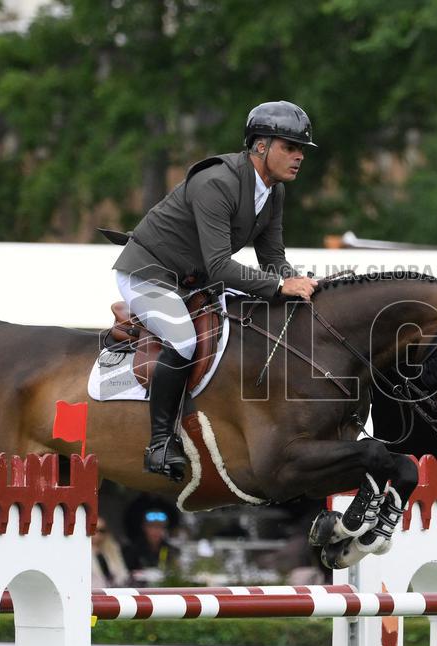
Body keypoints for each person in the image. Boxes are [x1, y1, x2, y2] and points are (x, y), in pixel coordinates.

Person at [113, 100, 320, 481]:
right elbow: (220, 266)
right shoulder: (217, 182)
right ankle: (159, 444)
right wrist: (278, 285)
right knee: (185, 341)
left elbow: (273, 258)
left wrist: (306, 289)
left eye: (301, 150)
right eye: (290, 147)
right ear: (261, 146)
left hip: (193, 282)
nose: (298, 157)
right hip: (149, 274)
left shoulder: (273, 193)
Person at [91, 517, 130, 588]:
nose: (97, 534)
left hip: (112, 593)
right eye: (93, 529)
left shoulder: (112, 548)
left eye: (101, 531)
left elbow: (123, 574)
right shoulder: (80, 550)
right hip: (90, 594)